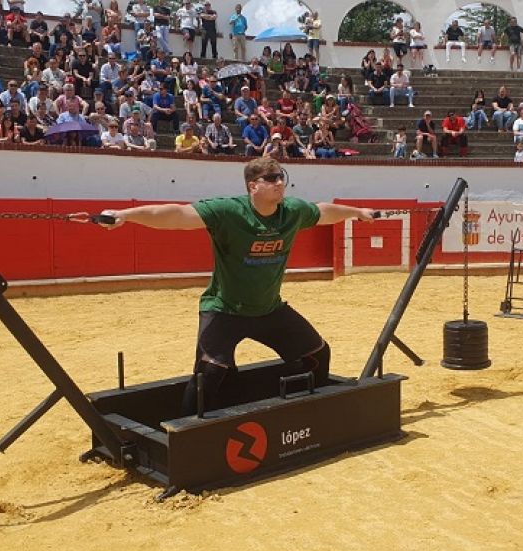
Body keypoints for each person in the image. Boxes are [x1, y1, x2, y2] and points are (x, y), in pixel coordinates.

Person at [97, 157, 376, 415]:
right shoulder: (229, 211)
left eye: (281, 177)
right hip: (224, 310)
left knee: (317, 353)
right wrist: (126, 214)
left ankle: (307, 414)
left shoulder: (292, 211)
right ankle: (183, 435)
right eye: (272, 178)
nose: (280, 183)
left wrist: (358, 212)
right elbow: (177, 216)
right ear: (253, 185)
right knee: (210, 374)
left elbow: (324, 211)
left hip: (269, 310)